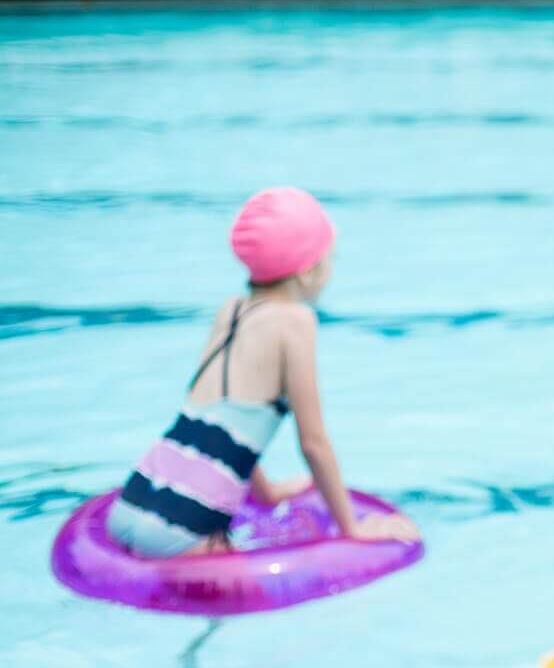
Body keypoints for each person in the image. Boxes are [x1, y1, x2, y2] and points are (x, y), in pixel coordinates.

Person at [107, 187, 417, 558]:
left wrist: (265, 493)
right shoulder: (296, 321)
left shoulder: (231, 310)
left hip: (133, 499)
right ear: (307, 272)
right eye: (329, 260)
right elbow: (313, 442)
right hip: (187, 525)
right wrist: (353, 527)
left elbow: (222, 420)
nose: (331, 272)